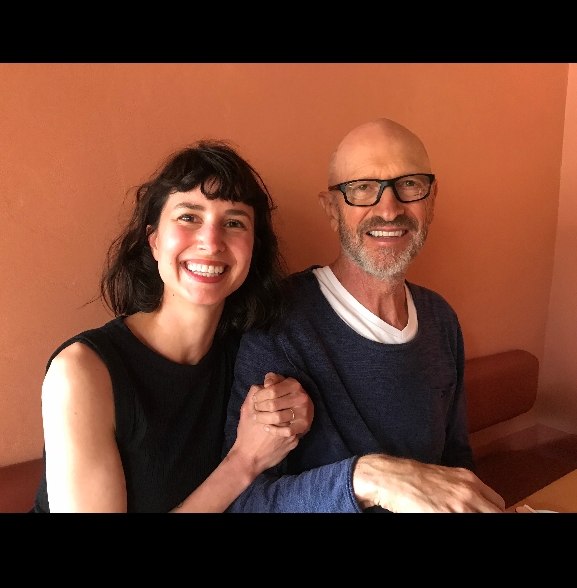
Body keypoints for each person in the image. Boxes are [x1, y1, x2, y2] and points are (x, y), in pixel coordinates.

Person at [224, 119, 506, 513]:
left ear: (431, 199)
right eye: (362, 188)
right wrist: (366, 478)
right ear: (332, 209)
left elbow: (456, 463)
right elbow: (243, 502)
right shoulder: (278, 324)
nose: (388, 209)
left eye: (409, 184)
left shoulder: (441, 319)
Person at [32, 141, 313, 513]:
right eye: (189, 217)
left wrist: (289, 410)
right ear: (154, 241)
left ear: (253, 250)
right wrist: (245, 461)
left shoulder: (252, 354)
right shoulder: (82, 371)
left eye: (233, 222)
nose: (211, 242)